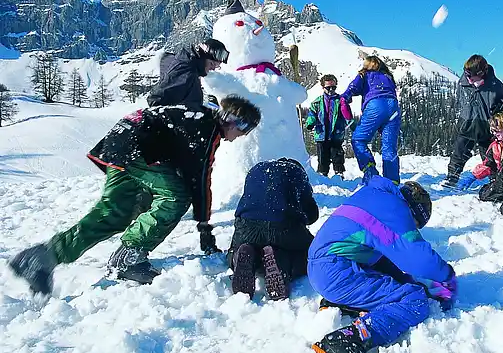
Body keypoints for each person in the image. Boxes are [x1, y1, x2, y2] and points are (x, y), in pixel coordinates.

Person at [9, 95, 261, 295]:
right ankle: (129, 256)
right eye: (244, 131)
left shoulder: (196, 117)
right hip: (137, 147)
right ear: (234, 121)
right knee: (176, 196)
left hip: (119, 145)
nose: (239, 138)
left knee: (115, 212)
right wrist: (204, 226)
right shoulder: (207, 127)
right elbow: (200, 179)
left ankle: (42, 258)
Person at [308, 178, 455, 353]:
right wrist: (447, 277)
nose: (412, 228)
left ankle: (342, 302)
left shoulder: (376, 197)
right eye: (414, 224)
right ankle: (347, 340)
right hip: (336, 273)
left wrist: (410, 281)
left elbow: (388, 261)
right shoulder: (395, 210)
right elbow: (417, 257)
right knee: (414, 300)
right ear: (413, 211)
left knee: (397, 279)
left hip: (326, 267)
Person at [228, 158, 319, 301]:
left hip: (247, 226)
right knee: (313, 254)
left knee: (235, 248)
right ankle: (284, 262)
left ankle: (238, 256)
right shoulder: (297, 172)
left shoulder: (256, 169)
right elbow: (312, 214)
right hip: (282, 226)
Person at [442, 55, 503, 189]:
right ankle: (452, 177)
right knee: (459, 153)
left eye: (472, 76)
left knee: (490, 157)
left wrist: (500, 107)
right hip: (466, 125)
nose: (468, 78)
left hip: (487, 127)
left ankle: (495, 181)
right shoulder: (463, 83)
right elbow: (460, 100)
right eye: (467, 74)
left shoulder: (494, 84)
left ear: (481, 73)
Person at [341, 56, 401, 184]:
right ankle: (392, 183)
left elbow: (352, 89)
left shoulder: (365, 75)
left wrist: (345, 98)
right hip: (393, 107)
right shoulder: (388, 77)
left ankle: (371, 173)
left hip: (375, 105)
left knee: (358, 140)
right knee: (389, 147)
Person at [146, 38, 230, 108]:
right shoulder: (187, 71)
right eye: (212, 64)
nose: (213, 69)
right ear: (203, 57)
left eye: (216, 66)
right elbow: (156, 100)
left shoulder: (191, 67)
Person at [306, 74, 354, 178]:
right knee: (323, 158)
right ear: (323, 87)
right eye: (328, 88)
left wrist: (345, 107)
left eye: (333, 87)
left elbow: (348, 116)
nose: (331, 90)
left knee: (337, 157)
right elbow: (312, 114)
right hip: (321, 134)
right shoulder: (317, 102)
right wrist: (310, 122)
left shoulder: (340, 101)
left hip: (336, 134)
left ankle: (339, 174)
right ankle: (323, 175)